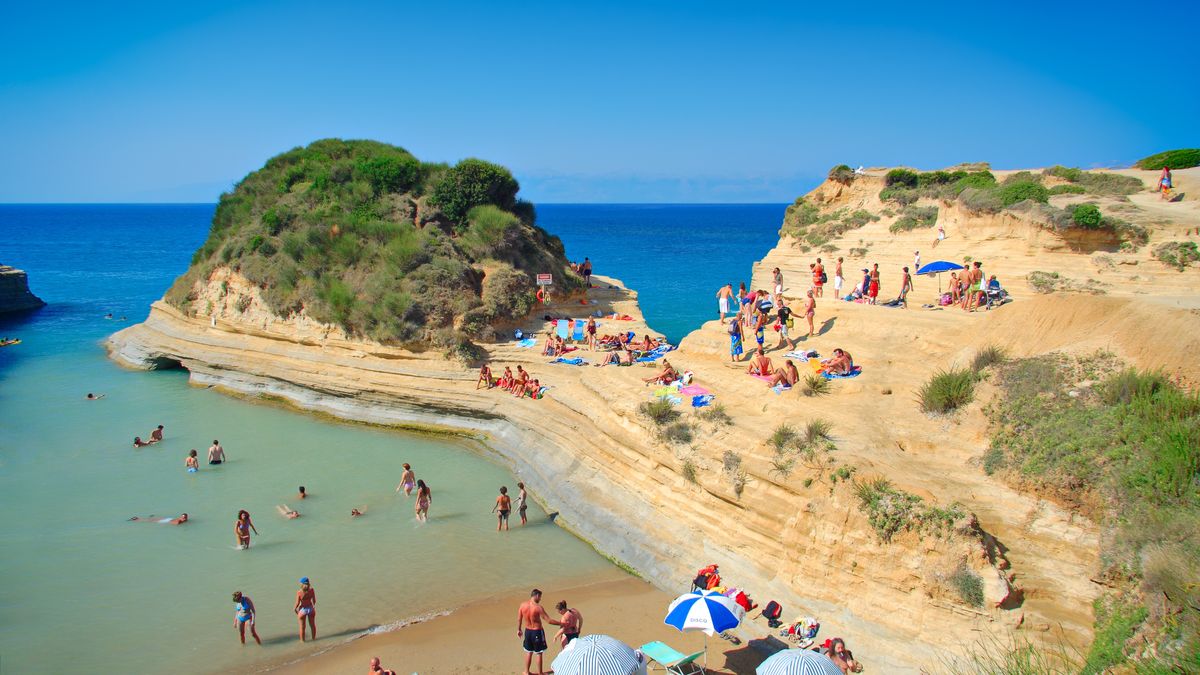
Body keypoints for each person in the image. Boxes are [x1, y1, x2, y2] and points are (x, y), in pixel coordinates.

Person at [517, 589, 561, 675]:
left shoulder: (522, 605)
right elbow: (548, 620)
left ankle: (526, 672)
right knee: (539, 653)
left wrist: (519, 629)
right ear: (536, 595)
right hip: (537, 632)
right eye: (540, 597)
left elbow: (519, 618)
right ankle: (540, 673)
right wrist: (560, 623)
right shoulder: (538, 607)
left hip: (528, 631)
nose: (540, 599)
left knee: (528, 651)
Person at [294, 577, 317, 642]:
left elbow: (297, 603)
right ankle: (314, 639)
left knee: (302, 627)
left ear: (301, 584)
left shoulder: (299, 592)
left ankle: (302, 642)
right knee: (312, 626)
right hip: (310, 608)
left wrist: (294, 609)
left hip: (303, 610)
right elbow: (314, 601)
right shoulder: (312, 590)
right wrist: (313, 606)